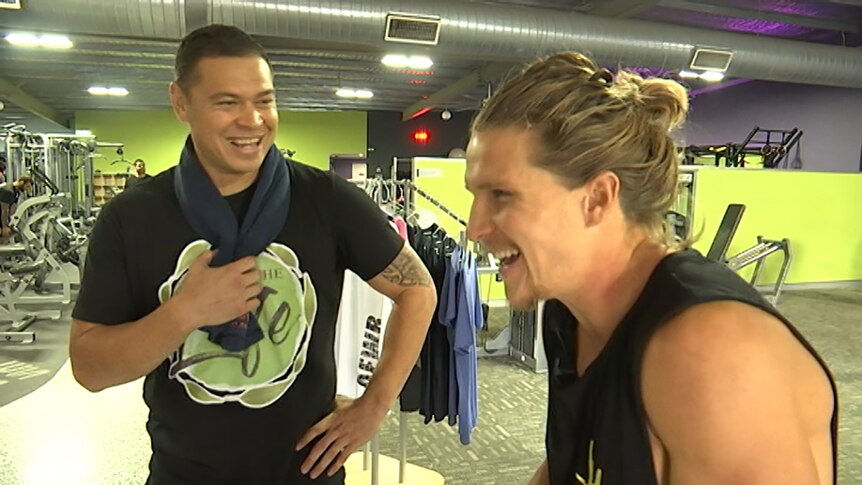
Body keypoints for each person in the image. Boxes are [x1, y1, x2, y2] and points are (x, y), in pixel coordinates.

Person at [69, 24, 437, 485]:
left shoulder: (327, 199)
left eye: (264, 100)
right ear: (181, 102)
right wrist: (186, 311)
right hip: (184, 475)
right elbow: (89, 368)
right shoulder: (131, 217)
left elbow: (418, 289)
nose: (253, 120)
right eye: (227, 103)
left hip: (306, 473)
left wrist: (374, 405)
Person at [465, 53, 837, 485]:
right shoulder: (568, 316)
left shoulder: (709, 353)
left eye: (502, 195)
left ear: (598, 199)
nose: (476, 227)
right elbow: (575, 464)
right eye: (477, 195)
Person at [0, 175, 33, 240]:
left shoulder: (16, 192)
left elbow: (12, 209)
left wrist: (12, 224)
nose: (26, 189)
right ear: (21, 182)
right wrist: (4, 227)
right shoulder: (8, 191)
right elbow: (4, 210)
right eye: (27, 186)